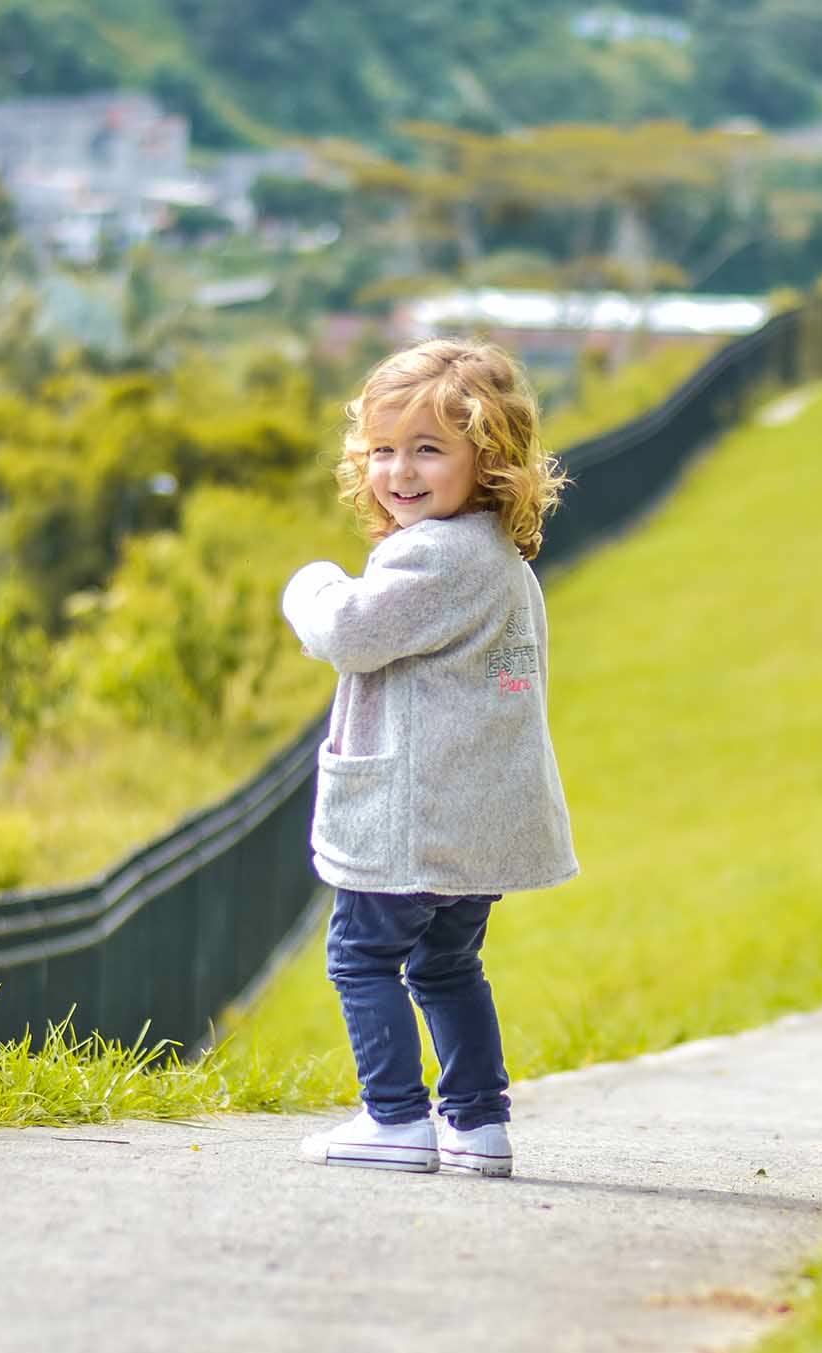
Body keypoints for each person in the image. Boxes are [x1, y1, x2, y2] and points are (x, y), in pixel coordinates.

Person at [281, 338, 578, 1177]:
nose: (399, 471)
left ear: (488, 460)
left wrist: (308, 584)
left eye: (427, 449)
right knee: (447, 962)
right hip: (474, 821)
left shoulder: (436, 555)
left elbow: (348, 633)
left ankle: (396, 1119)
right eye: (382, 450)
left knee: (360, 955)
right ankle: (477, 1124)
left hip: (418, 821)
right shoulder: (498, 558)